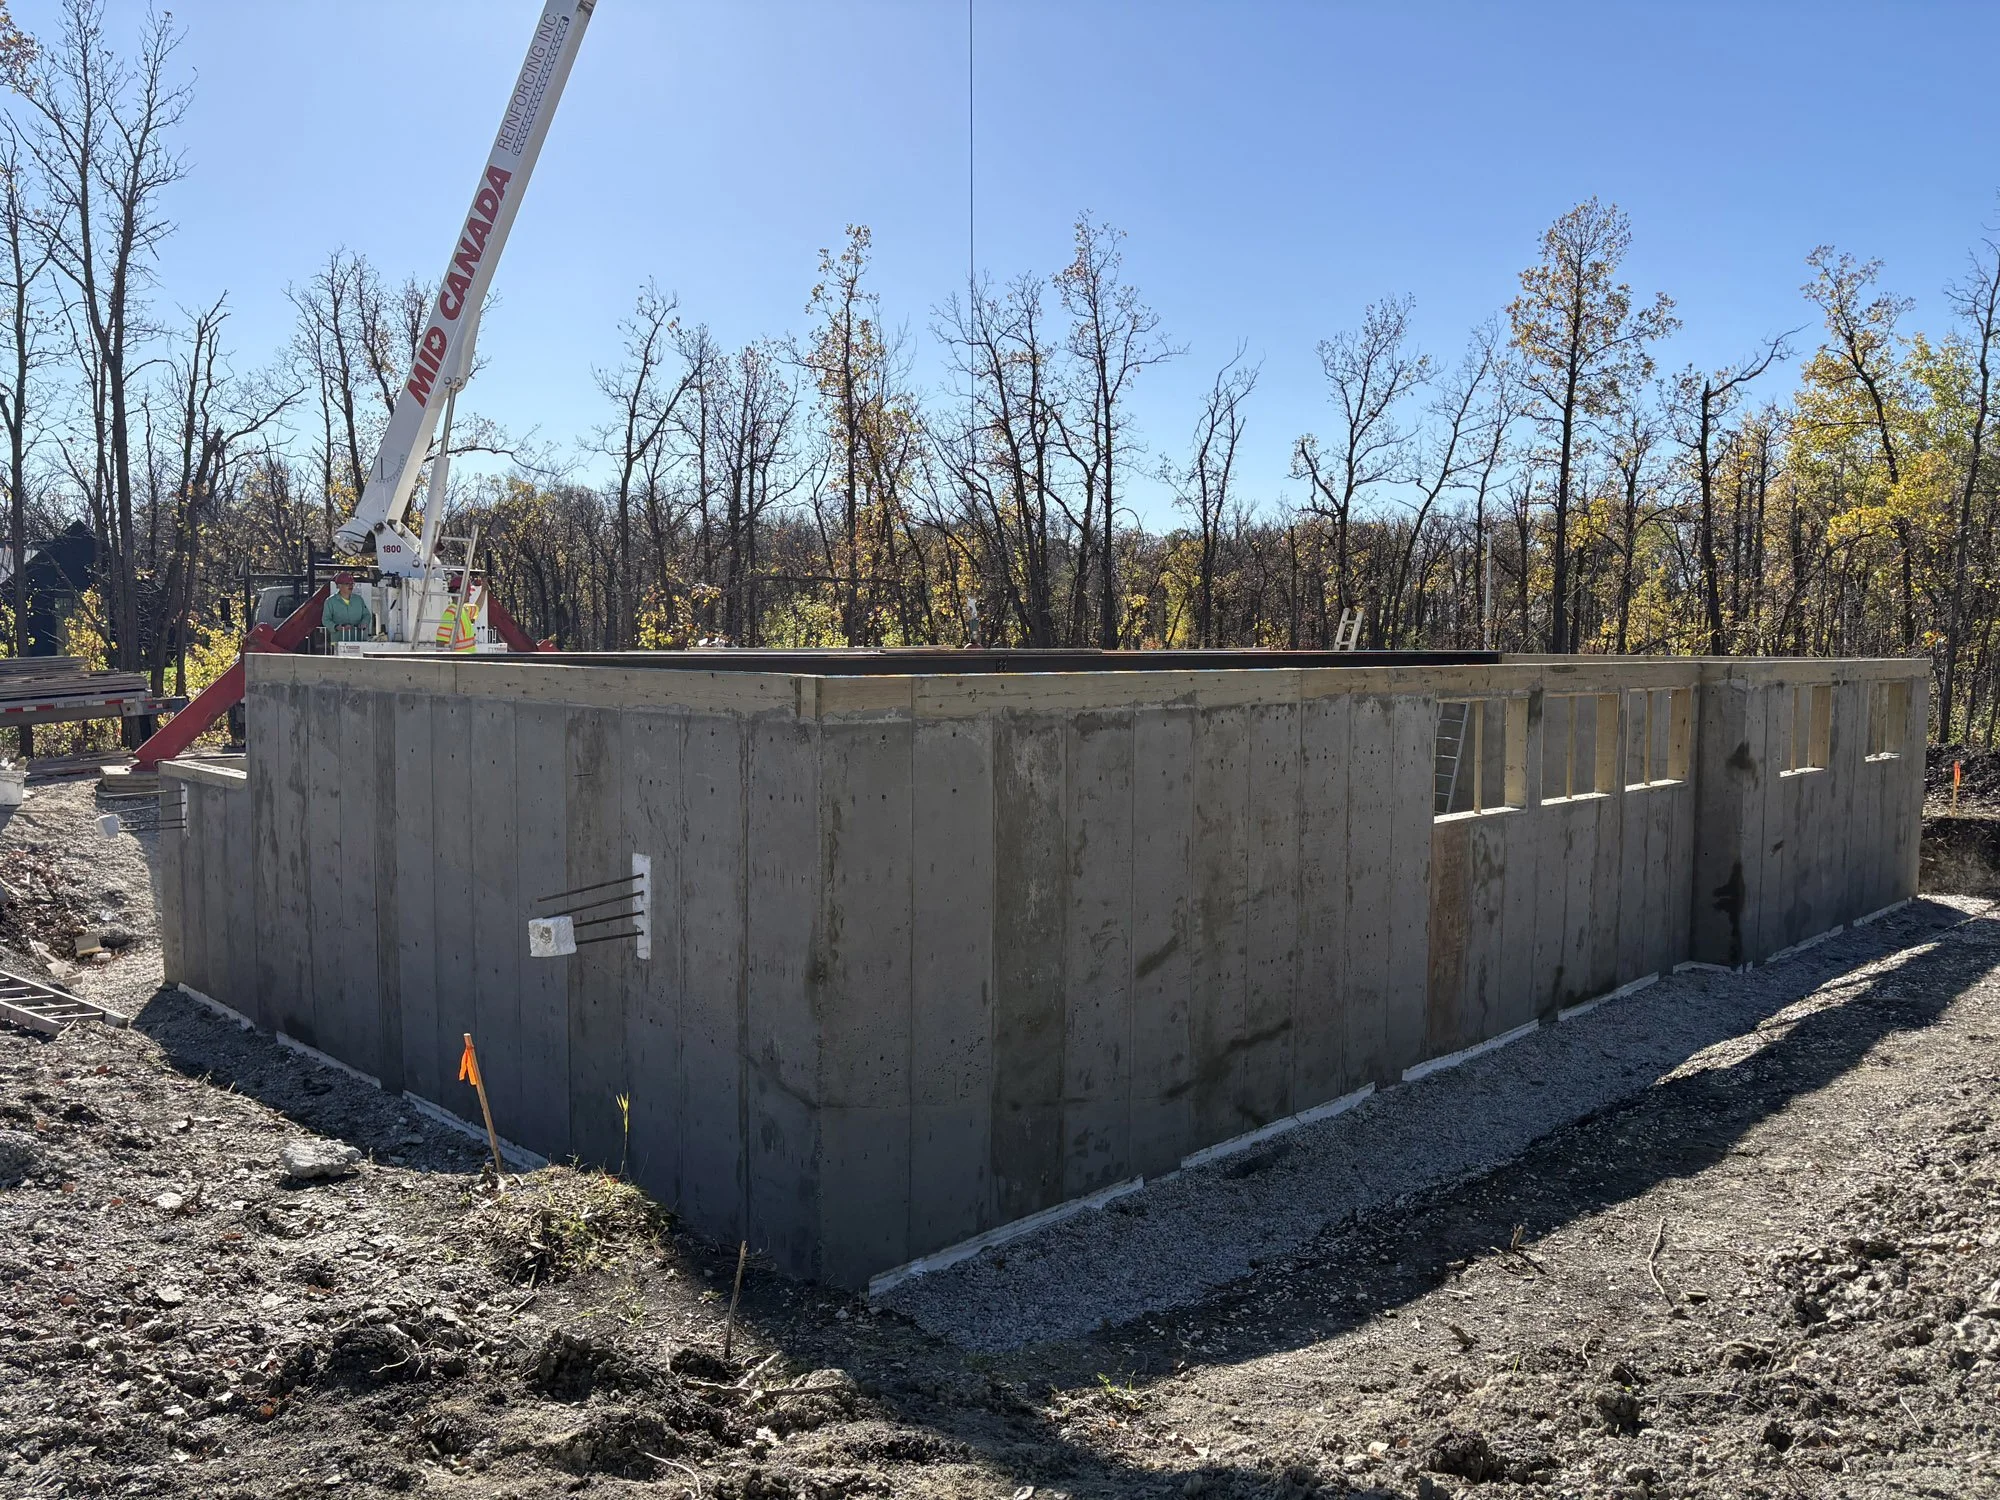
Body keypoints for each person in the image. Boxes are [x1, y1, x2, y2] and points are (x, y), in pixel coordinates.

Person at [323, 570, 374, 644]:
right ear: (339, 586)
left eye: (352, 584)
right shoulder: (330, 601)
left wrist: (364, 623)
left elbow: (366, 615)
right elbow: (325, 620)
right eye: (347, 584)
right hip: (338, 641)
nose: (350, 586)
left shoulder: (358, 600)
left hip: (357, 641)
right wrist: (336, 627)